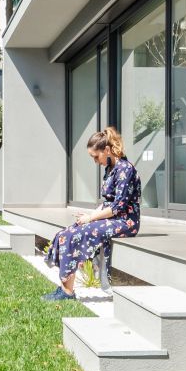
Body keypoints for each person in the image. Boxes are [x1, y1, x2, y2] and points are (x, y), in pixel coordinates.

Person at [42, 127, 141, 301]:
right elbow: (107, 202)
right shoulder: (111, 169)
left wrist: (90, 218)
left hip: (126, 221)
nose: (95, 161)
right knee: (65, 233)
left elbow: (118, 207)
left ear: (107, 150)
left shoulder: (125, 169)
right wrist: (90, 215)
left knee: (72, 237)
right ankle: (65, 288)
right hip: (113, 218)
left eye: (96, 156)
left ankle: (67, 293)